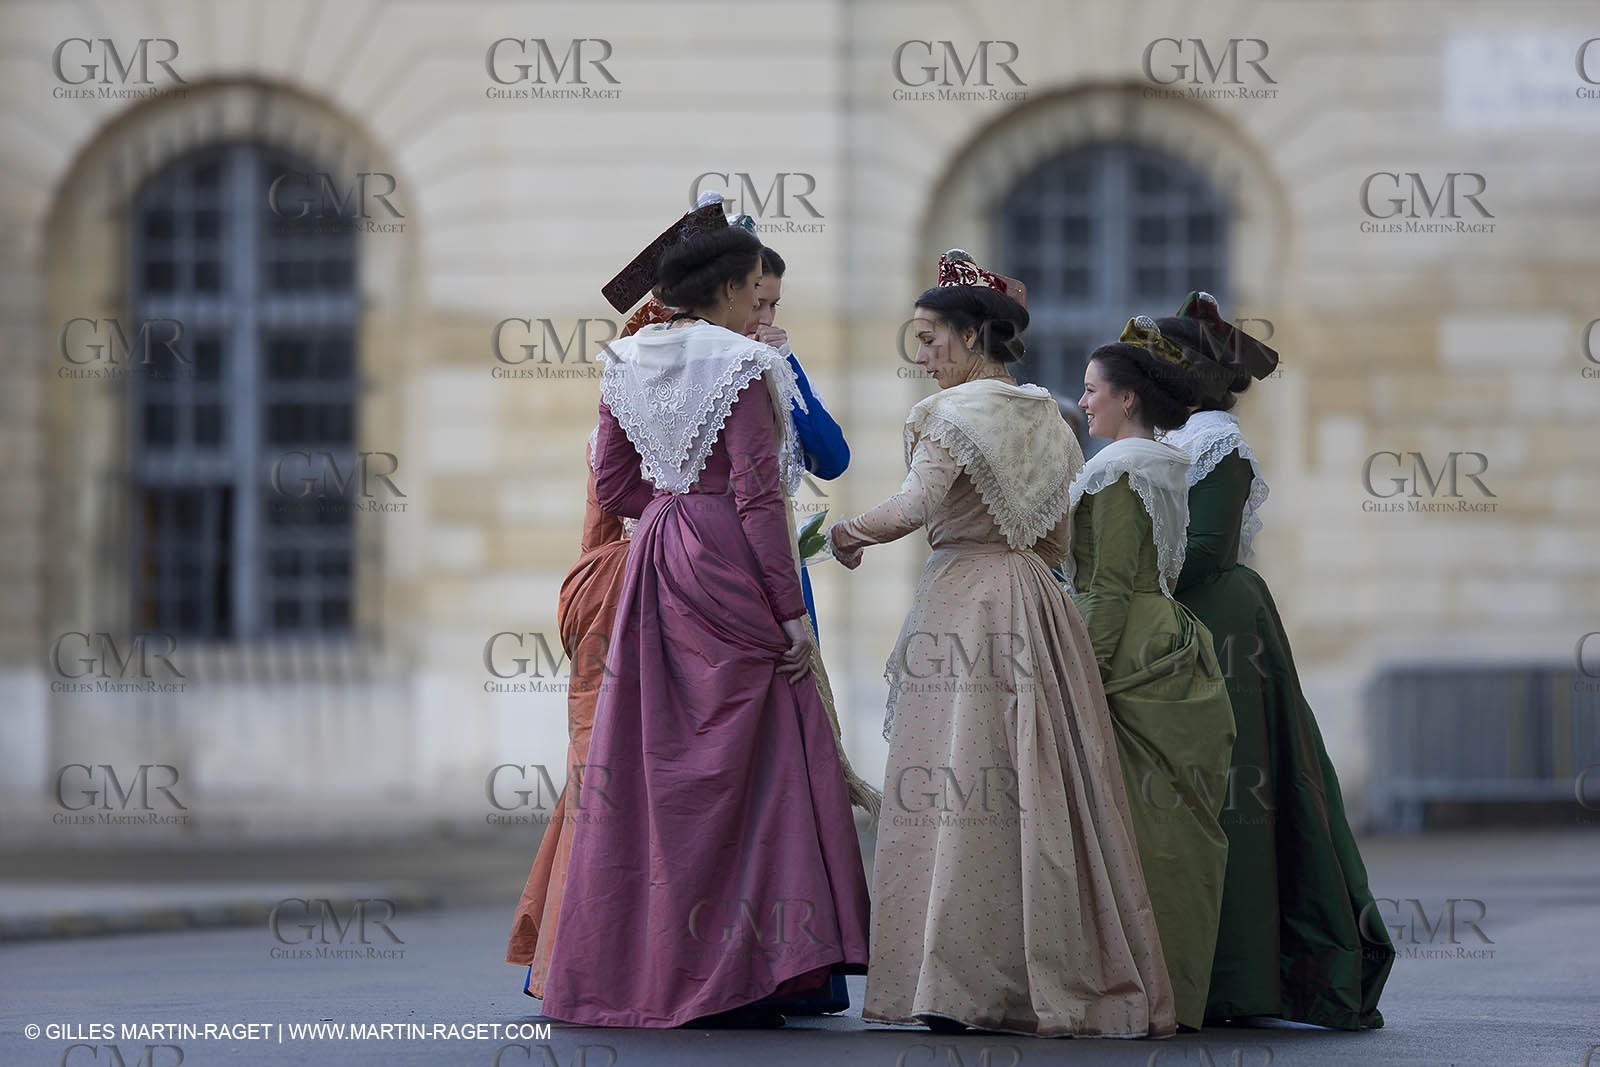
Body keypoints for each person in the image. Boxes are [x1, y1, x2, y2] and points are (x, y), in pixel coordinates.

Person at [537, 201, 870, 1029]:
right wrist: (790, 614)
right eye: (752, 291)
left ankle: (646, 964)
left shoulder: (625, 357)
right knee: (751, 766)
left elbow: (613, 485)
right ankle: (749, 968)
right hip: (727, 557)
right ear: (727, 287)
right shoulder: (741, 365)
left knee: (661, 766)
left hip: (657, 555)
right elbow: (761, 497)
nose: (759, 306)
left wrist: (672, 507)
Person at [827, 250, 1176, 1038]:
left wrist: (845, 532)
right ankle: (1033, 972)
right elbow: (1062, 538)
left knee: (956, 785)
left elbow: (914, 504)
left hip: (966, 608)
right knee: (1038, 791)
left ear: (974, 333)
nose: (922, 355)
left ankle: (957, 981)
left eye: (931, 338)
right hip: (1038, 609)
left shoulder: (953, 416)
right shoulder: (1050, 416)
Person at [1156, 293, 1393, 1029]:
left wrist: (1122, 578)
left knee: (1232, 797)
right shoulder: (1184, 437)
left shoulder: (1213, 440)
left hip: (1221, 630)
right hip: (1198, 620)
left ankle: (1236, 976)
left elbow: (1201, 550)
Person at [1068, 317, 1238, 1031]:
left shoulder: (1114, 469)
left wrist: (1086, 677)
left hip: (1126, 647)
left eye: (1091, 390)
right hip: (1171, 636)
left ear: (1129, 398)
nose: (1081, 402)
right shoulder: (1168, 460)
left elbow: (1108, 586)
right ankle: (1179, 988)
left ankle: (1132, 991)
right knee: (1175, 830)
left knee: (1132, 836)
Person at [504, 297, 672, 999]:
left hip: (610, 584)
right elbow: (609, 508)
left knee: (605, 774)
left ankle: (589, 954)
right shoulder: (646, 411)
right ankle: (591, 957)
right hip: (628, 589)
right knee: (606, 773)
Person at [745, 245, 850, 637]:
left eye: (774, 306)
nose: (767, 319)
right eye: (757, 305)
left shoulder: (777, 365)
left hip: (778, 558)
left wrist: (787, 362)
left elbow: (833, 458)